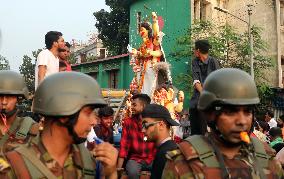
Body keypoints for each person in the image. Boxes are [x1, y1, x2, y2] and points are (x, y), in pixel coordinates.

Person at [162, 68, 283, 178]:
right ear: (210, 114)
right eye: (230, 112)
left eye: (247, 112)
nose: (241, 121)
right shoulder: (183, 163)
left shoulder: (267, 158)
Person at [1, 72, 118, 178]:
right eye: (88, 112)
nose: (94, 121)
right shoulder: (14, 166)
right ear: (63, 114)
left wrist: (111, 172)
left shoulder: (87, 161)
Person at [117, 94, 156, 179]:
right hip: (135, 159)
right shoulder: (128, 122)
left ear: (144, 106)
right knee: (132, 172)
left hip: (152, 158)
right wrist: (119, 169)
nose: (131, 107)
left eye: (134, 105)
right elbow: (124, 146)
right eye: (131, 104)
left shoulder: (154, 122)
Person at [0, 70, 38, 153]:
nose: (4, 102)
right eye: (0, 97)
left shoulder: (31, 128)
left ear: (19, 98)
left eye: (9, 96)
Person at [189, 39, 220, 135]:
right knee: (194, 131)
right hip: (197, 100)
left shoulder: (213, 62)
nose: (194, 51)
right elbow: (196, 81)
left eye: (194, 49)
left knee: (204, 131)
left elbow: (217, 81)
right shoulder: (195, 62)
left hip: (209, 102)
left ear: (198, 50)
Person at [141, 104, 178, 179]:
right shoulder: (168, 148)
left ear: (161, 125)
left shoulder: (165, 154)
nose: (143, 130)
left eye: (145, 125)